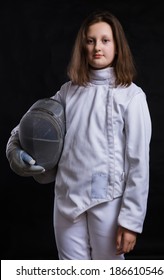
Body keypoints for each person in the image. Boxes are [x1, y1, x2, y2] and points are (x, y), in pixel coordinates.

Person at [6, 10, 152, 260]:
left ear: (117, 46)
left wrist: (131, 221)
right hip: (66, 198)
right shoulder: (68, 92)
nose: (97, 47)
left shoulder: (131, 96)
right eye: (90, 40)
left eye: (105, 40)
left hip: (107, 199)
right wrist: (14, 146)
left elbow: (139, 162)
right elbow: (35, 122)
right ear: (82, 46)